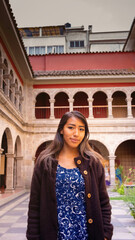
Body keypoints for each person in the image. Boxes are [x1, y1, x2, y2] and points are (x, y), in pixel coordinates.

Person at [26, 111, 113, 240]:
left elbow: (104, 202)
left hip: (87, 234)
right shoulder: (45, 162)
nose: (76, 133)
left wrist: (105, 234)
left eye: (81, 129)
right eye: (71, 127)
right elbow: (35, 205)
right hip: (54, 234)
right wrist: (33, 236)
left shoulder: (93, 162)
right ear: (61, 130)